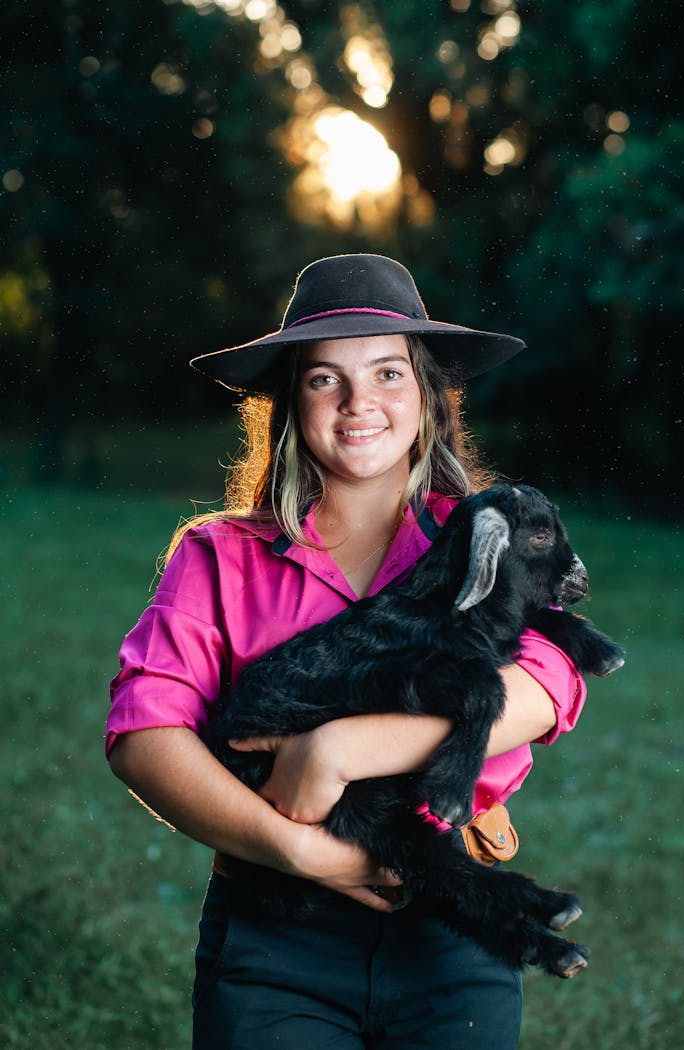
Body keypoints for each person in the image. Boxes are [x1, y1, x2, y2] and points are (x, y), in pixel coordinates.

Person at [107, 254, 588, 1049]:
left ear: (429, 398)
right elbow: (144, 735)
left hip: (454, 926)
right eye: (326, 378)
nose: (360, 402)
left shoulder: (484, 536)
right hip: (276, 929)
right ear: (293, 403)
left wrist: (337, 750)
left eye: (390, 373)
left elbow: (549, 679)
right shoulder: (219, 555)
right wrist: (303, 851)